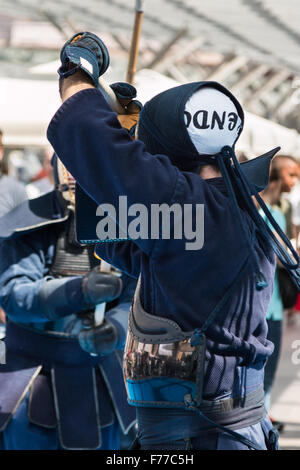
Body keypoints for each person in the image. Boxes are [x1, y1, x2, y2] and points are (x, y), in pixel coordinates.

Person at [47, 32, 300, 450]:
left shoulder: (188, 208)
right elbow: (114, 239)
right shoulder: (227, 210)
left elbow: (84, 131)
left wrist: (77, 74)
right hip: (218, 429)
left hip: (200, 435)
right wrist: (126, 148)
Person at [0, 153, 136, 450]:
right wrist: (79, 290)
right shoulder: (26, 219)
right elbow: (14, 295)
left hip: (102, 383)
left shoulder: (127, 221)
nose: (74, 171)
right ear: (54, 162)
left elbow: (135, 296)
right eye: (67, 159)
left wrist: (115, 330)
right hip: (31, 380)